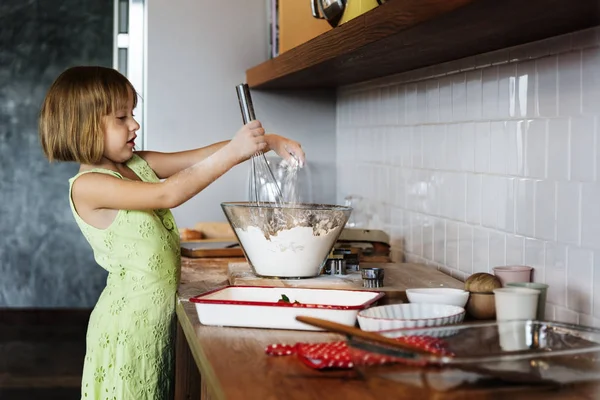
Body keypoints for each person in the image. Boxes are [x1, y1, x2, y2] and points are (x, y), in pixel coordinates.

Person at [38, 65, 305, 399]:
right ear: (84, 127)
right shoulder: (89, 186)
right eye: (121, 118)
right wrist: (236, 150)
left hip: (155, 323)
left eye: (132, 114)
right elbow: (168, 194)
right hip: (128, 330)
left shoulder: (134, 165)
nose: (135, 124)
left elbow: (201, 156)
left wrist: (267, 142)